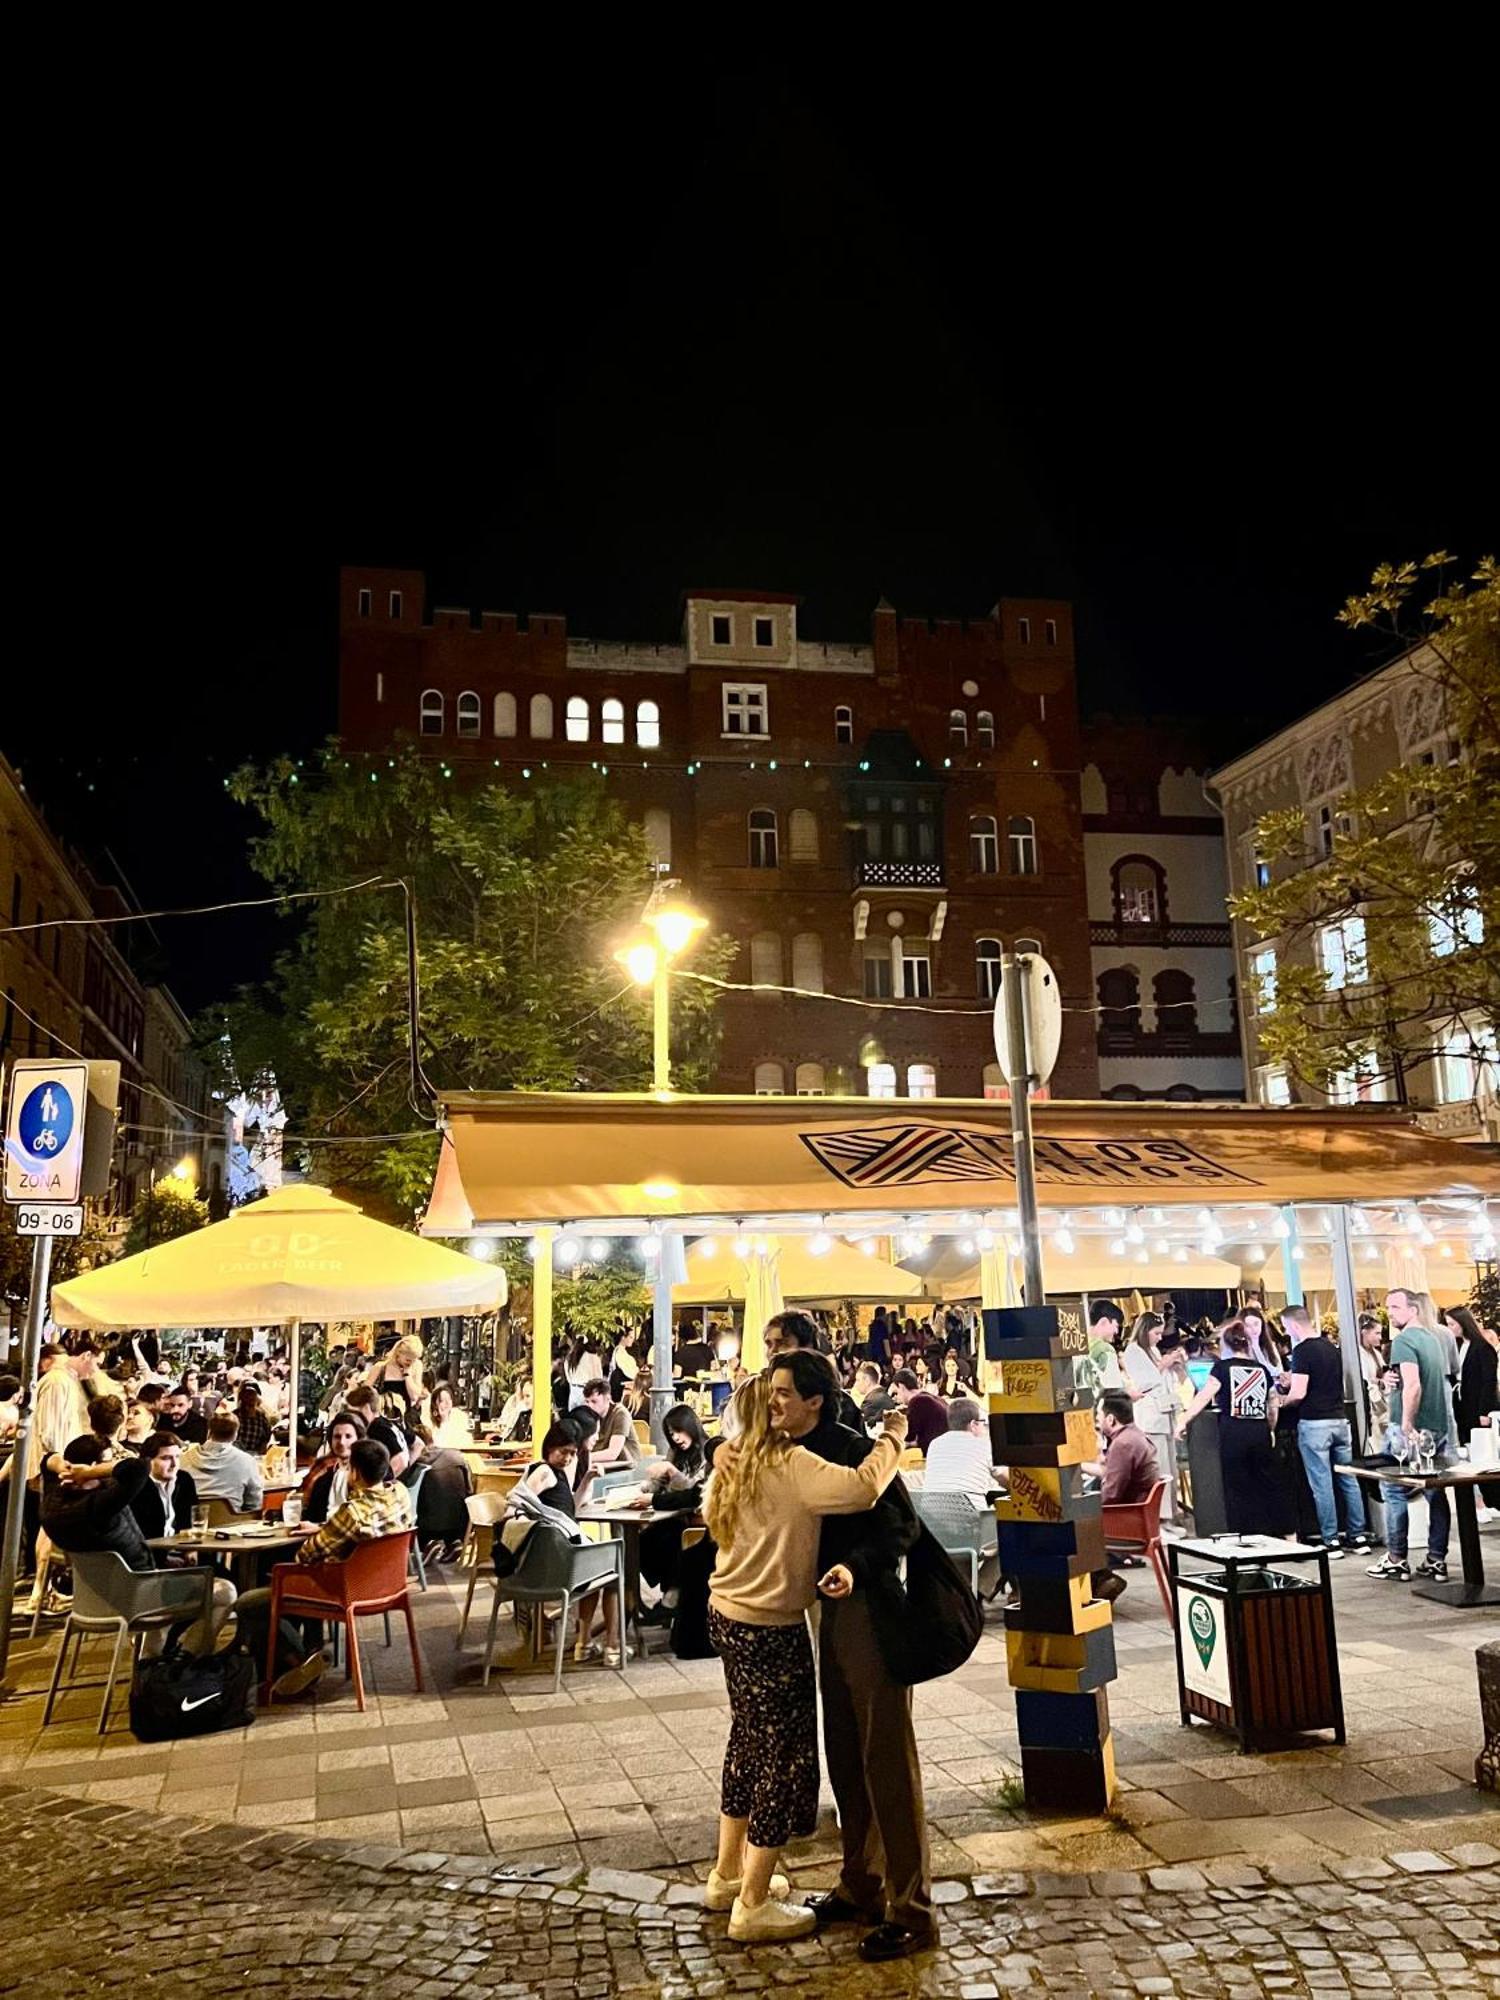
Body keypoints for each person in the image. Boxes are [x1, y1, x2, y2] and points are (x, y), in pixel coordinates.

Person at [702, 1375, 907, 1944]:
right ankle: (754, 1900)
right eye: (775, 1401)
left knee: (746, 1743)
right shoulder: (788, 1465)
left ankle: (726, 1874)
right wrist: (894, 1434)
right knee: (784, 1761)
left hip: (727, 1613)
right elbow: (866, 1487)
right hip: (770, 1626)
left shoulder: (734, 1461)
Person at [762, 1350, 934, 1964]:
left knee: (885, 1758)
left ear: (814, 1399)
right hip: (825, 1617)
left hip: (871, 1615)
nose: (773, 1400)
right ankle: (860, 1883)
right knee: (844, 1752)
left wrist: (852, 1568)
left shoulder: (851, 1446)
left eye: (783, 1392)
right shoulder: (788, 1450)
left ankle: (911, 1910)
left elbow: (900, 1527)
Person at [234, 1437, 413, 1699]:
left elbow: (308, 1553)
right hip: (387, 1588)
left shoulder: (352, 1512)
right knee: (307, 1580)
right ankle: (306, 1658)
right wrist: (325, 1529)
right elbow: (355, 1532)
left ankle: (297, 1663)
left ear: (355, 1472)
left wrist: (320, 1536)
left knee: (249, 1603)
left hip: (344, 1592)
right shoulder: (400, 1494)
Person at [42, 1437, 234, 1655]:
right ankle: (187, 1660)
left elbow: (47, 1460)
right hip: (139, 1596)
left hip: (93, 1599)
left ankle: (151, 1662)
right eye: (107, 1463)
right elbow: (139, 1467)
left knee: (172, 1582)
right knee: (225, 1591)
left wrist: (65, 1468)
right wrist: (88, 1473)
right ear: (93, 1468)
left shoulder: (52, 1504)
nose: (110, 1469)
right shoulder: (101, 1505)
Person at [1367, 1287, 1455, 1583]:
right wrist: (1391, 1380)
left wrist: (1406, 1423)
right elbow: (1414, 1381)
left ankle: (1396, 1558)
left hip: (1412, 1428)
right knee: (1435, 1492)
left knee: (1394, 1490)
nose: (1389, 1312)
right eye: (1388, 1307)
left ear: (1413, 1309)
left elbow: (1414, 1385)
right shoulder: (1432, 1339)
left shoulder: (1404, 1340)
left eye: (1395, 1307)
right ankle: (1436, 1559)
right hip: (1437, 1424)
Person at [1177, 1319, 1282, 1533]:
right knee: (1262, 1484)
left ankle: (1243, 1535)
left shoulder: (1221, 1368)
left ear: (1226, 1345)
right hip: (1259, 1432)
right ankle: (1267, 1533)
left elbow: (1203, 1397)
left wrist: (1183, 1420)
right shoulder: (1261, 1369)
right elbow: (1273, 1403)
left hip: (1233, 1433)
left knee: (1236, 1487)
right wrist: (1270, 1428)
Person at [1277, 1305, 1366, 1555]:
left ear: (1294, 1326)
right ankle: (1358, 1536)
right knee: (1348, 1479)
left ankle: (1331, 1540)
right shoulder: (1331, 1347)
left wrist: (1282, 1400)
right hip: (1339, 1420)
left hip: (1315, 1424)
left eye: (1286, 1327)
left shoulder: (1302, 1351)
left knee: (1322, 1483)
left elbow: (1299, 1393)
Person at [1121, 1312, 1177, 1523]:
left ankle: (1170, 1515)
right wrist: (1164, 1364)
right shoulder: (1133, 1352)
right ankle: (1159, 1517)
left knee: (1169, 1468)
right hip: (1151, 1418)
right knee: (1158, 1468)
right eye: (1156, 1333)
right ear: (1145, 1331)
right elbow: (1146, 1381)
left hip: (1165, 1413)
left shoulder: (1152, 1350)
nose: (1159, 1338)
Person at [764, 1313, 863, 1428]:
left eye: (782, 1343)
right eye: (769, 1344)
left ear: (808, 1347)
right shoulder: (761, 1394)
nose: (772, 1352)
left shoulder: (841, 1404)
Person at [182, 1413, 265, 1515]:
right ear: (235, 1435)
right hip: (231, 1524)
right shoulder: (246, 1461)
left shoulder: (183, 1458)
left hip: (190, 1523)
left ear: (209, 1432)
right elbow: (254, 1503)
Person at [922, 1398, 997, 1501]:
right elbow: (1006, 1480)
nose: (984, 1428)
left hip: (930, 1511)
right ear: (973, 1425)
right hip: (970, 1512)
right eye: (983, 1423)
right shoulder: (983, 1444)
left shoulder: (935, 1443)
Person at [128, 1432, 200, 1539]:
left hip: (181, 1546)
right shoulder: (138, 1485)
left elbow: (189, 1522)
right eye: (166, 1458)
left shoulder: (184, 1479)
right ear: (148, 1461)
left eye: (177, 1457)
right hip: (150, 1550)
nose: (174, 1464)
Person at [302, 1412, 366, 1523]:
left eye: (348, 1436)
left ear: (359, 1439)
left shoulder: (367, 1471)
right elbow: (311, 1510)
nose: (341, 1442)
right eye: (337, 1437)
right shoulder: (323, 1467)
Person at [342, 1382, 412, 1477]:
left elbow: (401, 1460)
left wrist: (380, 1482)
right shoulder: (385, 1424)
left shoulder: (378, 1429)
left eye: (353, 1412)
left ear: (366, 1408)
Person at [579, 1378, 642, 1470]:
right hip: (605, 1465)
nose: (589, 1406)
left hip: (627, 1467)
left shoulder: (620, 1414)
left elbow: (612, 1453)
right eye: (587, 1402)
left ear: (608, 1399)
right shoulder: (591, 1415)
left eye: (594, 1401)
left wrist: (583, 1459)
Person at [889, 1368, 947, 1456]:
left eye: (896, 1392)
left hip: (936, 1454)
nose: (897, 1397)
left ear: (901, 1387)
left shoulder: (917, 1401)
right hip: (943, 1448)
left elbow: (908, 1436)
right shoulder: (927, 1397)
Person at [1357, 1314, 1390, 1438]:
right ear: (1365, 1332)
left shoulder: (1376, 1353)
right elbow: (1365, 1379)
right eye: (1377, 1333)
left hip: (1381, 1406)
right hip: (1370, 1407)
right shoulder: (1358, 1354)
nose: (1380, 1337)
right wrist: (1380, 1381)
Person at [234, 1380, 273, 1458]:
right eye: (247, 1394)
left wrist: (261, 1450)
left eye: (253, 1394)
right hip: (236, 1454)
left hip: (255, 1455)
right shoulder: (235, 1415)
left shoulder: (261, 1416)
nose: (250, 1397)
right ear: (241, 1397)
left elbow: (267, 1436)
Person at [494, 1376, 534, 1443]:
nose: (525, 1400)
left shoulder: (549, 1418)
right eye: (523, 1396)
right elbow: (510, 1438)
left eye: (527, 1396)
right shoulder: (524, 1415)